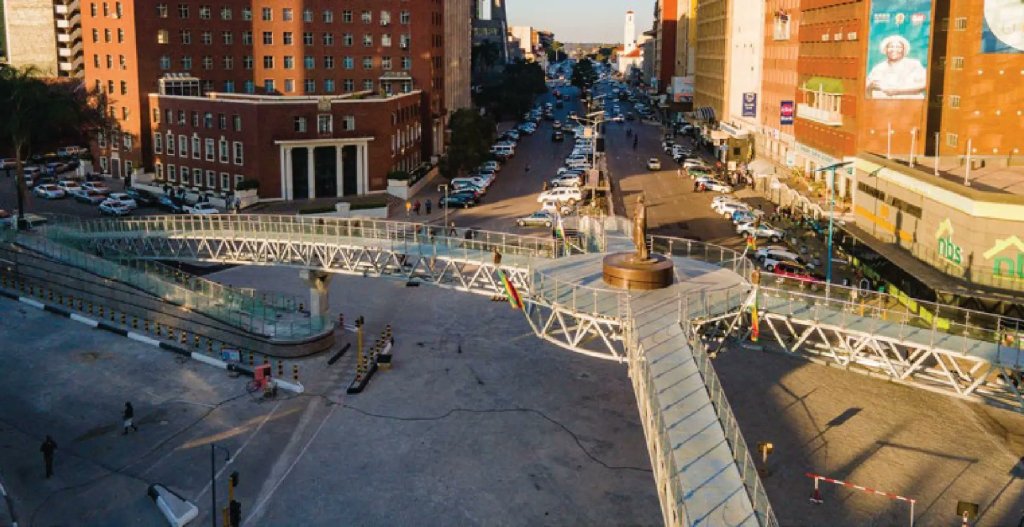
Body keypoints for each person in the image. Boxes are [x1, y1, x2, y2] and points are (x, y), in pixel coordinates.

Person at [865, 35, 927, 100]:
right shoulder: (878, 68)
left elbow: (924, 85)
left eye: (898, 47)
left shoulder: (914, 64)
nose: (894, 50)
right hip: (884, 104)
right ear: (885, 49)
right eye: (891, 47)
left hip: (911, 103)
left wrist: (897, 91)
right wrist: (870, 86)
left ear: (904, 50)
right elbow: (867, 88)